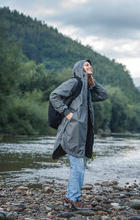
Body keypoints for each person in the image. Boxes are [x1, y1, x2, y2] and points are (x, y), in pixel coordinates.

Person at [49, 60, 108, 210]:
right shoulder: (74, 82)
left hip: (81, 132)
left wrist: (91, 81)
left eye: (90, 65)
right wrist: (67, 113)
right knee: (78, 166)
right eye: (86, 65)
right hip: (72, 130)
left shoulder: (86, 88)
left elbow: (103, 95)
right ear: (78, 68)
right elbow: (54, 96)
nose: (90, 67)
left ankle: (70, 198)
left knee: (78, 166)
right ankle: (74, 199)